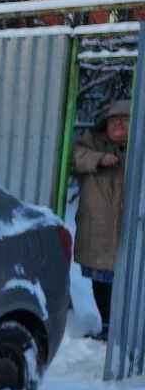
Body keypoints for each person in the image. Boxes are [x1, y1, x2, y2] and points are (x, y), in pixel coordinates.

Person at [72, 99, 131, 340]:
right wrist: (97, 159)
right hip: (99, 230)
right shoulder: (93, 142)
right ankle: (107, 326)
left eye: (123, 119)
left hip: (131, 230)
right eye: (112, 120)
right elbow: (73, 155)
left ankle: (128, 329)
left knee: (130, 282)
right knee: (102, 280)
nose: (117, 123)